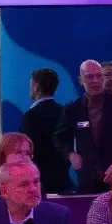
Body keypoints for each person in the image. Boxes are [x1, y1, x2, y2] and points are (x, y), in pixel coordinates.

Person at [58, 59, 112, 196]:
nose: (95, 80)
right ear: (80, 80)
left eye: (99, 76)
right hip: (88, 182)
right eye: (89, 76)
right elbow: (59, 138)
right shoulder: (73, 109)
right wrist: (71, 154)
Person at [20, 67, 71, 195]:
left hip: (37, 181)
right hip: (62, 178)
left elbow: (26, 149)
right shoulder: (64, 112)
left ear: (36, 87)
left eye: (31, 84)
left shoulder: (31, 116)